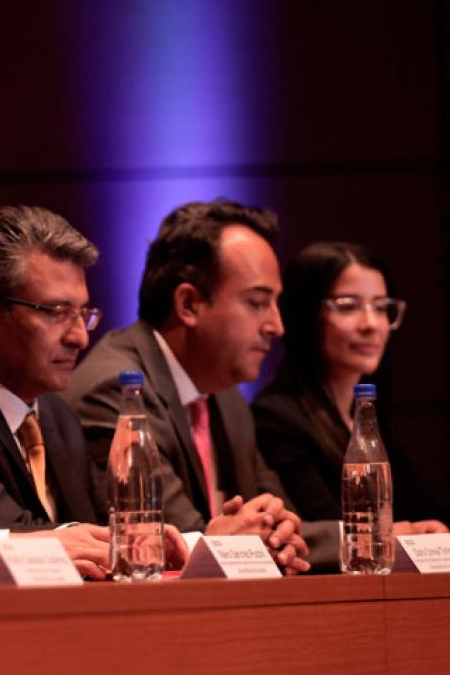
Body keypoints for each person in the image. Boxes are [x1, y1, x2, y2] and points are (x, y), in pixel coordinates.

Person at [0, 206, 186, 579]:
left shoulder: (56, 413)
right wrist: (119, 542)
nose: (80, 338)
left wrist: (169, 540)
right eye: (56, 312)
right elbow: (12, 532)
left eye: (83, 313)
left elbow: (101, 523)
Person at [63, 199, 318, 572]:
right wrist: (245, 540)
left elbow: (277, 519)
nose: (275, 326)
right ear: (189, 304)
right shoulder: (118, 392)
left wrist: (282, 535)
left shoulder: (225, 395)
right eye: (257, 303)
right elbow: (173, 540)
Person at [253, 241, 448, 532]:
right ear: (306, 314)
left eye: (380, 307)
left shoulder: (370, 416)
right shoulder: (276, 418)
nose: (371, 324)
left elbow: (422, 511)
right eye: (348, 306)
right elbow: (322, 532)